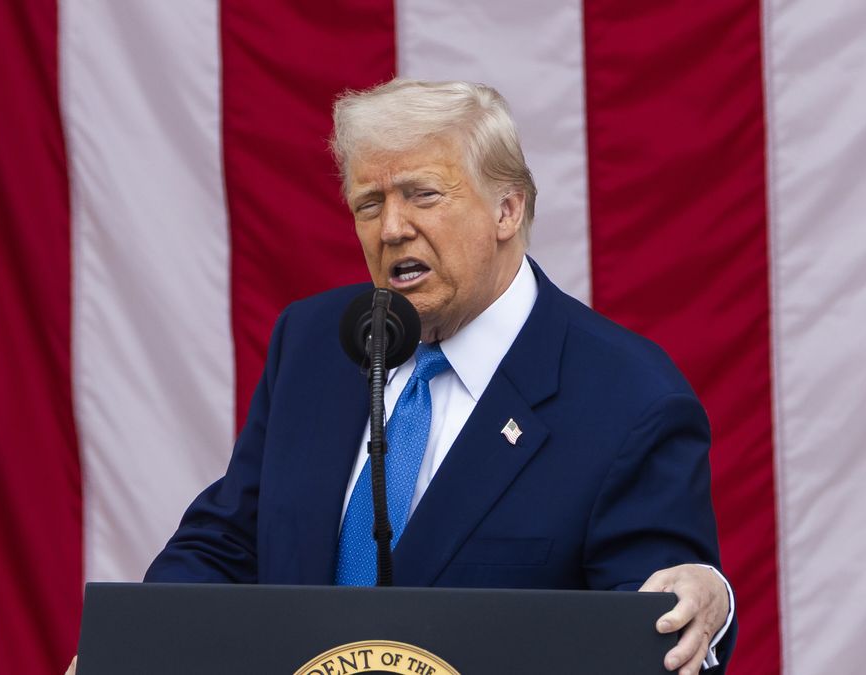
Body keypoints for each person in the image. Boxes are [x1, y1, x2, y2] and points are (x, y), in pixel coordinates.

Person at [73, 79, 735, 675]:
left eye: (422, 194)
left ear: (508, 210)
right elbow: (230, 543)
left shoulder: (627, 398)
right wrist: (131, 648)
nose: (391, 227)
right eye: (369, 203)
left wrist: (708, 598)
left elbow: (660, 623)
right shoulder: (313, 344)